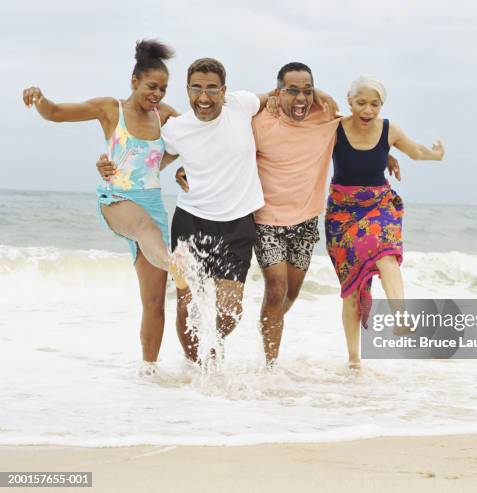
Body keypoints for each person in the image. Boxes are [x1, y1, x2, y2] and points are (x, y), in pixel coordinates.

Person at [97, 58, 337, 370]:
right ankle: (197, 369)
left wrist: (316, 93)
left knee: (229, 309)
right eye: (196, 88)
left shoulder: (242, 105)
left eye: (212, 88)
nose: (204, 96)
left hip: (238, 224)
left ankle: (214, 343)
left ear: (224, 90)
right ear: (187, 90)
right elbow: (150, 161)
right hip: (192, 220)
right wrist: (109, 168)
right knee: (187, 305)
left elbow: (279, 93)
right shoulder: (176, 130)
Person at [22, 40, 186, 374]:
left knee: (154, 303)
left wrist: (180, 166)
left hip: (153, 203)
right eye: (152, 86)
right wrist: (39, 97)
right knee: (144, 229)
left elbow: (195, 141)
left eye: (164, 89)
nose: (158, 94)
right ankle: (175, 265)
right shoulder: (110, 109)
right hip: (117, 200)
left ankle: (148, 373)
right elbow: (56, 113)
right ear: (134, 81)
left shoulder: (166, 116)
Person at [325, 75, 445, 369]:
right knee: (351, 289)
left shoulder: (388, 129)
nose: (368, 110)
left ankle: (400, 317)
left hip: (379, 205)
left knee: (385, 253)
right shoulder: (335, 129)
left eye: (374, 104)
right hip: (342, 213)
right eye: (361, 103)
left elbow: (416, 151)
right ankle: (354, 360)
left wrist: (435, 155)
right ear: (349, 102)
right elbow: (305, 151)